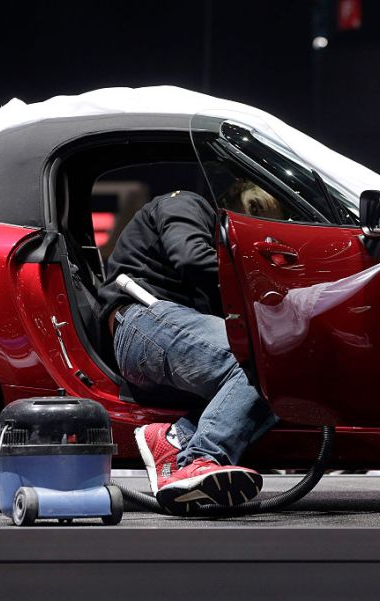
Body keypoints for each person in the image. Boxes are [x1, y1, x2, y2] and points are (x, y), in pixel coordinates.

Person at [96, 185, 281, 514]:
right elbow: (191, 258)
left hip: (158, 334)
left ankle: (176, 439)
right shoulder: (185, 203)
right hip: (143, 321)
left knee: (286, 371)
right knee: (264, 359)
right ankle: (201, 458)